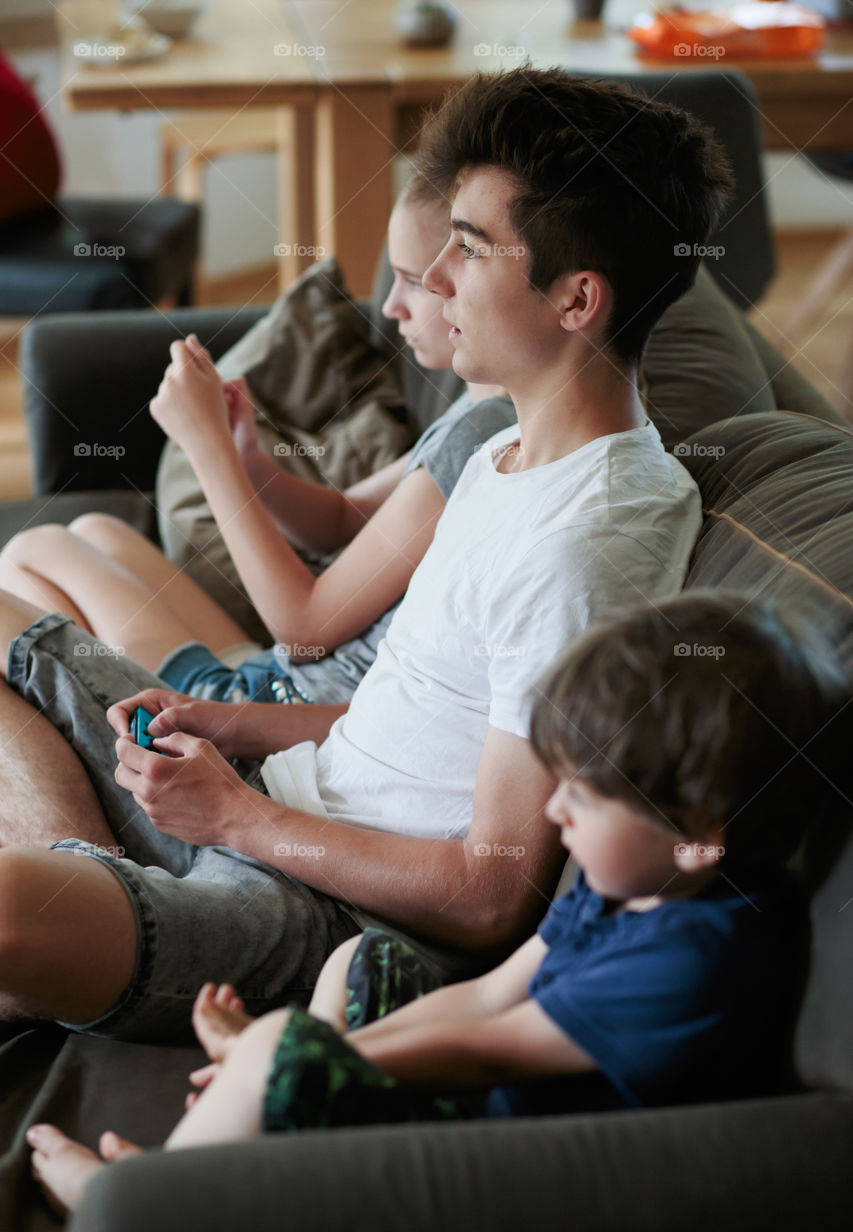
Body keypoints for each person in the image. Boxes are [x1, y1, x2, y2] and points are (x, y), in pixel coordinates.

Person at [0, 67, 730, 1043]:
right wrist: (235, 724)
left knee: (12, 910)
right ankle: (92, 885)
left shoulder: (585, 544)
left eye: (469, 249)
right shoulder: (506, 457)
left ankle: (80, 899)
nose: (433, 279)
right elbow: (423, 720)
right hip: (276, 798)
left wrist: (236, 821)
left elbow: (490, 893)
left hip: (332, 904)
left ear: (575, 299)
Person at [25, 592, 847, 1215]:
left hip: (498, 1168)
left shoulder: (692, 963)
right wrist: (321, 1056)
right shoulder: (633, 885)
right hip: (474, 1101)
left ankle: (140, 1195)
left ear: (696, 836)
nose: (553, 812)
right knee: (359, 958)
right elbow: (487, 997)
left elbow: (489, 1048)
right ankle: (265, 1111)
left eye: (585, 798)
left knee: (275, 1048)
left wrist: (288, 1060)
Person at [0, 182, 514, 703]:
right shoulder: (473, 412)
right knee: (95, 531)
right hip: (279, 675)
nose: (389, 305)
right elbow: (343, 517)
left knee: (29, 553)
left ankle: (126, 730)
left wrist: (209, 449)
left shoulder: (487, 437)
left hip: (277, 703)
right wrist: (247, 461)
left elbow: (304, 628)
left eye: (413, 283)